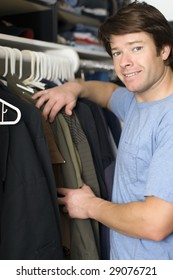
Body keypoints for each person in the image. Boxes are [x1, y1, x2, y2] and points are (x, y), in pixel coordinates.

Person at [33, 1, 173, 259]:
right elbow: (108, 93)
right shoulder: (138, 100)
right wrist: (74, 88)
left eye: (136, 48)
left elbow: (156, 223)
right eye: (117, 52)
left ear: (164, 50)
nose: (125, 62)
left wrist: (89, 206)